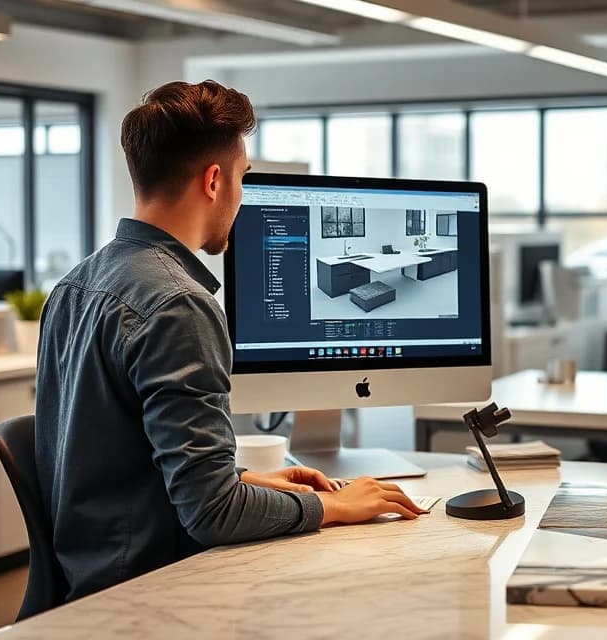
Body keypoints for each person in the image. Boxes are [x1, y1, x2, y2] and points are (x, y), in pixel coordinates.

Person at [34, 80, 424, 602]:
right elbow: (212, 514)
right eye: (242, 179)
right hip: (151, 592)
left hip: (88, 575)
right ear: (214, 180)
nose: (242, 198)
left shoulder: (75, 284)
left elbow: (119, 458)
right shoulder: (180, 304)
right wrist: (334, 506)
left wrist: (248, 480)